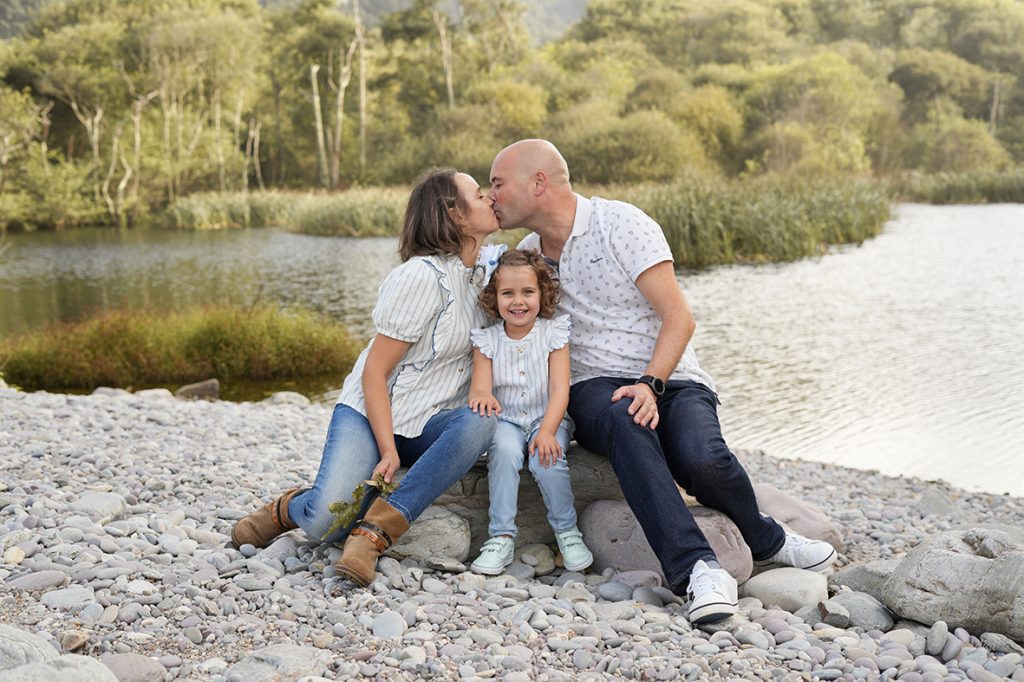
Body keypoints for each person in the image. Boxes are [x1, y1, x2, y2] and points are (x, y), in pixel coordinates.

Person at [487, 140, 837, 624]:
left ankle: (766, 537)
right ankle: (698, 569)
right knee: (624, 420)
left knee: (701, 458)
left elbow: (679, 317)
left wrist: (652, 383)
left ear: (539, 183)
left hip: (668, 374)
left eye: (498, 183)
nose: (491, 195)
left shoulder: (621, 225)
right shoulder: (526, 257)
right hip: (595, 385)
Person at [231, 168, 499, 587]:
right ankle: (290, 508)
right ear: (455, 214)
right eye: (479, 195)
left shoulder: (486, 274)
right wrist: (388, 450)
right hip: (372, 413)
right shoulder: (420, 277)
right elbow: (375, 372)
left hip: (431, 420)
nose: (490, 200)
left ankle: (375, 533)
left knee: (481, 420)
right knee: (323, 525)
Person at [466, 249, 594, 575]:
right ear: (494, 298)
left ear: (542, 293)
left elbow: (559, 390)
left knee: (545, 458)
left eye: (527, 292)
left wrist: (549, 430)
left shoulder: (553, 334)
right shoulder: (487, 341)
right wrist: (483, 397)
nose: (518, 301)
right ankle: (501, 537)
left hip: (545, 417)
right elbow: (480, 389)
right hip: (506, 420)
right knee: (506, 453)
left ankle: (567, 531)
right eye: (507, 293)